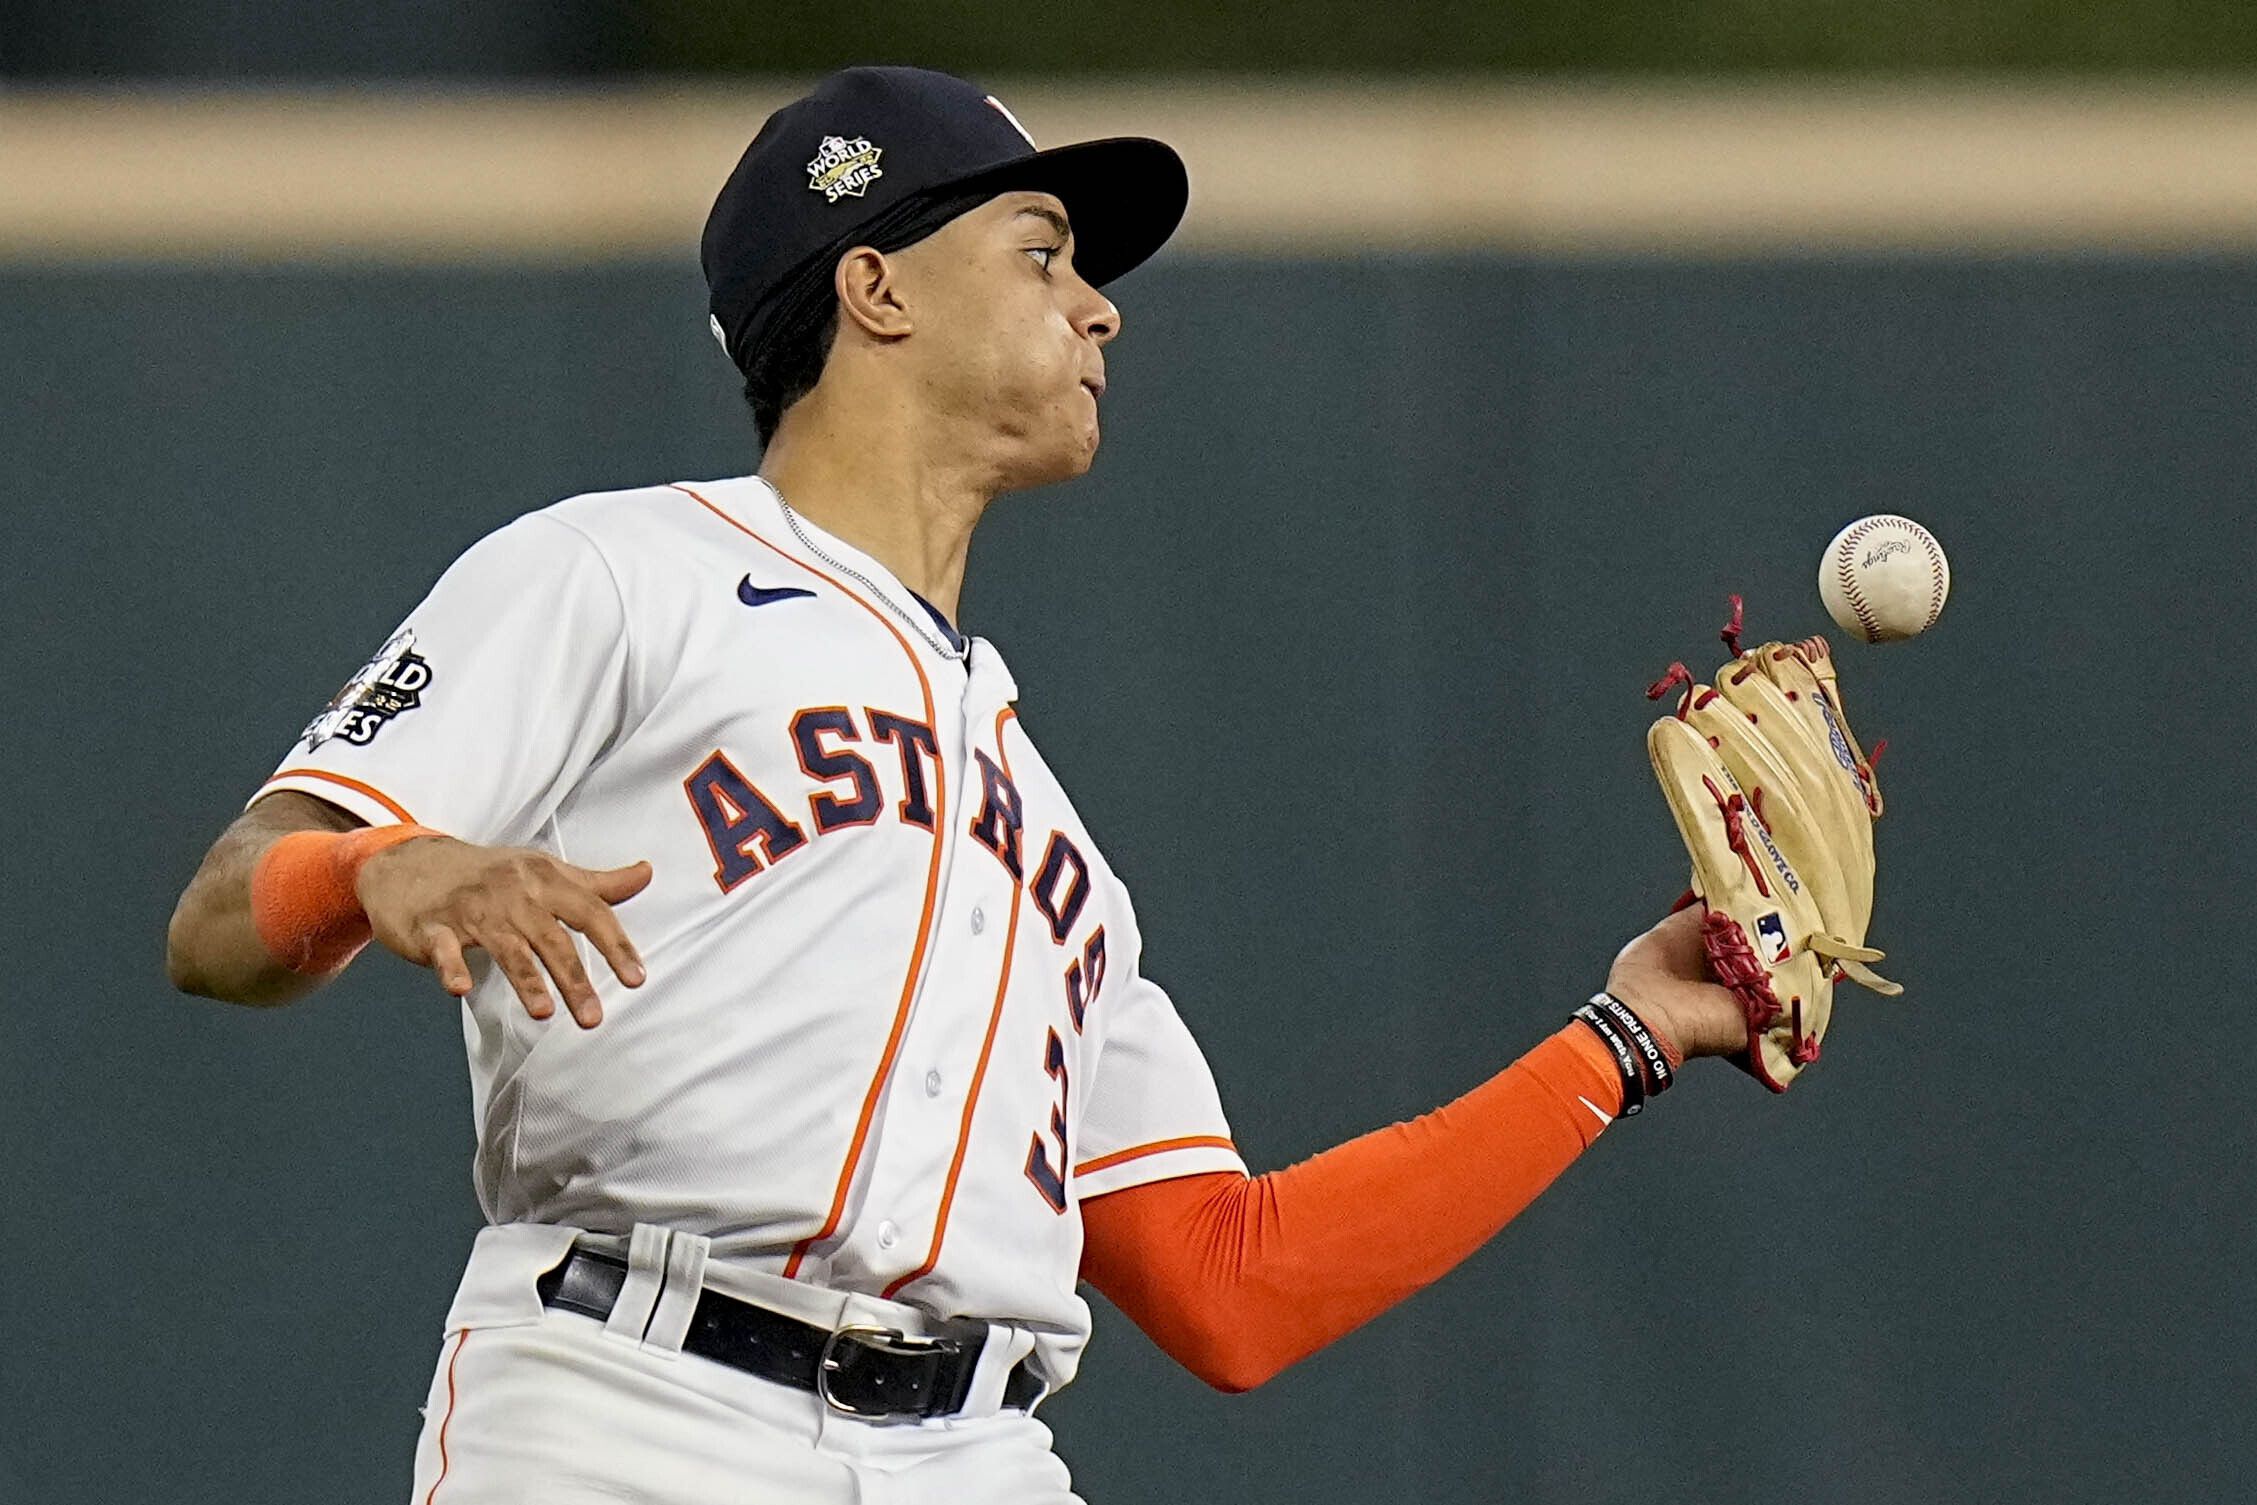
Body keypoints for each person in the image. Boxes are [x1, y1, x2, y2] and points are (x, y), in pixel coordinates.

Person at [166, 65, 1750, 1504]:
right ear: (875, 288)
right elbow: (222, 916)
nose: (1100, 310)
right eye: (1043, 250)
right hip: (625, 1410)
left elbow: (1229, 1285)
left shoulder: (1046, 835)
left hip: (974, 1454)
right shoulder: (621, 570)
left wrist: (1619, 1039)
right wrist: (371, 870)